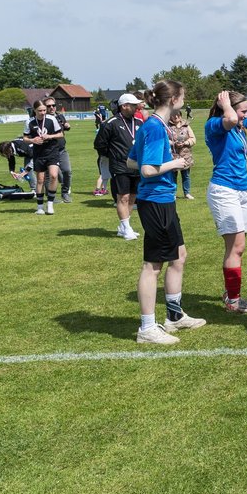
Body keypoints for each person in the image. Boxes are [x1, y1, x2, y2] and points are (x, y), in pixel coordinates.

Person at [127, 80, 204, 345]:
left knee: (179, 255)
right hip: (155, 200)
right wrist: (176, 163)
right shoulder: (156, 127)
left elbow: (130, 159)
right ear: (173, 100)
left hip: (163, 199)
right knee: (153, 265)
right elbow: (147, 169)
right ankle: (147, 328)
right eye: (182, 95)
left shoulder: (152, 125)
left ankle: (174, 315)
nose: (184, 99)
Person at [205, 90, 247, 314]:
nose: (245, 115)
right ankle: (233, 299)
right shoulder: (216, 124)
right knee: (237, 246)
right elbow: (231, 118)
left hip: (241, 191)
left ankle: (230, 292)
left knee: (235, 247)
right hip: (225, 191)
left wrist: (242, 103)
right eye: (242, 112)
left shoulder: (239, 125)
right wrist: (228, 107)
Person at [94, 94, 144, 239]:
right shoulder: (110, 123)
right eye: (133, 105)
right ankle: (126, 227)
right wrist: (114, 156)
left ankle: (124, 226)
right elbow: (99, 145)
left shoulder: (139, 122)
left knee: (133, 197)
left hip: (136, 165)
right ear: (124, 106)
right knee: (123, 197)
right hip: (119, 165)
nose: (137, 107)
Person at [23, 100, 65, 215]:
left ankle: (50, 204)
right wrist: (33, 140)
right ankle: (40, 206)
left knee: (53, 175)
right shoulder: (29, 122)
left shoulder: (51, 119)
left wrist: (49, 136)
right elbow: (25, 138)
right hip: (38, 153)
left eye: (44, 110)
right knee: (40, 179)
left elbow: (61, 134)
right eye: (40, 110)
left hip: (52, 151)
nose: (42, 112)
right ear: (34, 110)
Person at [167, 109, 196, 200]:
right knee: (173, 175)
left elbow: (193, 139)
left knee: (186, 175)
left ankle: (187, 193)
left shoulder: (186, 126)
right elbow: (164, 139)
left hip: (185, 155)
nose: (176, 117)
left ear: (180, 116)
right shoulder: (167, 126)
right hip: (173, 155)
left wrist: (186, 143)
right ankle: (173, 193)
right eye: (173, 115)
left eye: (178, 115)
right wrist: (173, 143)